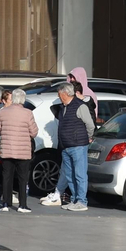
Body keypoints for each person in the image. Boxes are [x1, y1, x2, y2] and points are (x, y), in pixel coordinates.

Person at [45, 82, 95, 211]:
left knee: (80, 174)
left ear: (65, 93)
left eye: (59, 94)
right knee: (70, 175)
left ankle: (82, 201)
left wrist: (88, 137)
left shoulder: (80, 106)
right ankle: (75, 199)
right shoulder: (63, 107)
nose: (59, 96)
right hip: (65, 146)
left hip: (78, 145)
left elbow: (90, 125)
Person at [0, 87, 40, 212]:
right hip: (23, 151)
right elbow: (34, 132)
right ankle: (22, 205)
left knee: (7, 177)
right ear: (23, 100)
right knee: (22, 178)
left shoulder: (2, 112)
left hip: (7, 149)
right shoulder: (28, 113)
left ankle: (5, 203)